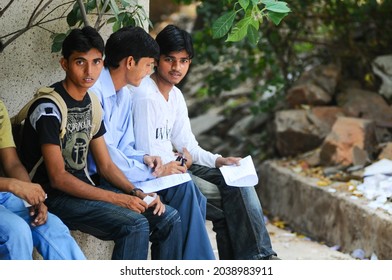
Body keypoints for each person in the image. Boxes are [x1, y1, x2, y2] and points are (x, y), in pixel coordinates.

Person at [19, 26, 182, 260]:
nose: (90, 71)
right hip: (50, 196)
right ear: (64, 63)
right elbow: (58, 177)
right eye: (80, 62)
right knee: (134, 224)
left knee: (168, 217)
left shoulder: (92, 104)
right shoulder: (49, 109)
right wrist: (119, 198)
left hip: (85, 187)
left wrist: (135, 191)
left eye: (96, 62)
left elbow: (105, 164)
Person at [131, 24, 278, 260]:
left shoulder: (176, 96)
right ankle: (254, 260)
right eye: (170, 59)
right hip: (161, 177)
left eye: (184, 61)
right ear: (157, 59)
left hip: (179, 166)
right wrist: (181, 160)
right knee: (229, 206)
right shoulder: (145, 96)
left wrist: (219, 161)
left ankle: (261, 255)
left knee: (238, 181)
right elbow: (149, 155)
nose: (177, 67)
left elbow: (188, 144)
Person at [88, 26, 215, 260]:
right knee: (183, 192)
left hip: (128, 172)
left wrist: (146, 159)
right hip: (100, 180)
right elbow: (107, 159)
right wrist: (154, 171)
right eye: (148, 65)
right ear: (129, 62)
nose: (149, 72)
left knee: (189, 196)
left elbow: (126, 147)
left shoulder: (124, 94)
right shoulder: (96, 95)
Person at [0, 100, 85, 260]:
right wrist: (12, 185)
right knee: (16, 231)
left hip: (3, 195)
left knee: (51, 225)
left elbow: (12, 163)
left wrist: (31, 194)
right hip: (5, 188)